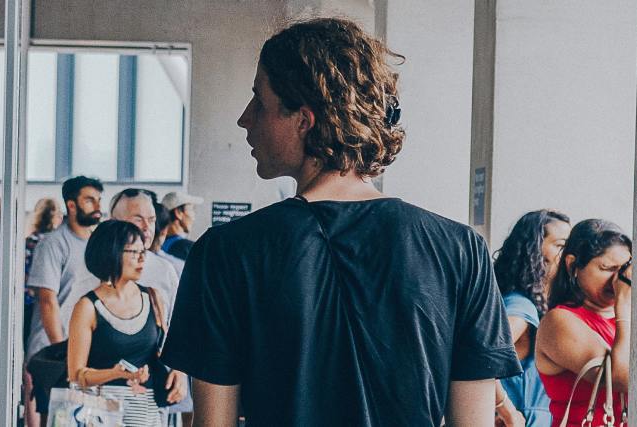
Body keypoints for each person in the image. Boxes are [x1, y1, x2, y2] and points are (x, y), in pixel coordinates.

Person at [162, 18, 521, 426]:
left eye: (259, 102)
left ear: (304, 119)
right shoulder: (460, 250)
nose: (245, 119)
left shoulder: (226, 252)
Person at [65, 220, 187, 427]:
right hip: (101, 416)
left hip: (147, 416)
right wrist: (117, 372)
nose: (142, 258)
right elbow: (76, 375)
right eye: (133, 252)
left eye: (143, 251)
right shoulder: (87, 307)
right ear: (111, 253)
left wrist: (179, 372)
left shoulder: (153, 298)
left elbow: (164, 349)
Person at [537, 219, 632, 426]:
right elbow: (623, 378)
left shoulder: (624, 319)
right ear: (573, 265)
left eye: (623, 269)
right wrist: (624, 306)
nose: (618, 280)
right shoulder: (558, 321)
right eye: (607, 268)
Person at [492, 209, 571, 427]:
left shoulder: (532, 304)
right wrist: (507, 411)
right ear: (534, 250)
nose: (569, 254)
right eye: (561, 245)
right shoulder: (521, 307)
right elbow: (483, 357)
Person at [26, 176, 104, 358]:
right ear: (71, 205)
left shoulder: (97, 244)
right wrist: (60, 351)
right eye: (89, 200)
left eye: (99, 200)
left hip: (80, 349)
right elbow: (47, 301)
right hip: (51, 350)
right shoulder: (52, 244)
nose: (98, 207)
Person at [108, 189, 181, 317]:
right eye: (138, 219)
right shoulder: (94, 266)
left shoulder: (165, 270)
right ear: (113, 221)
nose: (147, 227)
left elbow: (177, 324)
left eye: (152, 220)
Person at [24, 198, 62, 342]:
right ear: (56, 217)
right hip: (44, 302)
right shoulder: (53, 244)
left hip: (25, 301)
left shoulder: (28, 241)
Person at [159, 191, 202, 262]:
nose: (193, 216)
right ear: (178, 213)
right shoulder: (188, 248)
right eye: (191, 209)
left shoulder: (157, 245)